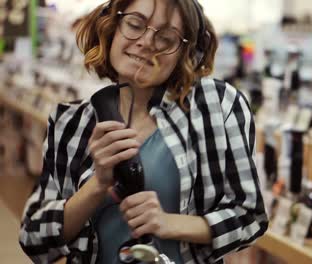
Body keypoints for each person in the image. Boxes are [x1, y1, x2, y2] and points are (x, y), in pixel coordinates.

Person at [19, 0, 268, 263]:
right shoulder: (71, 122)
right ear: (112, 26)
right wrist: (97, 186)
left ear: (186, 52)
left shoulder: (217, 106)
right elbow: (33, 238)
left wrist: (169, 223)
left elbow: (249, 217)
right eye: (135, 25)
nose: (146, 42)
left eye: (166, 38)